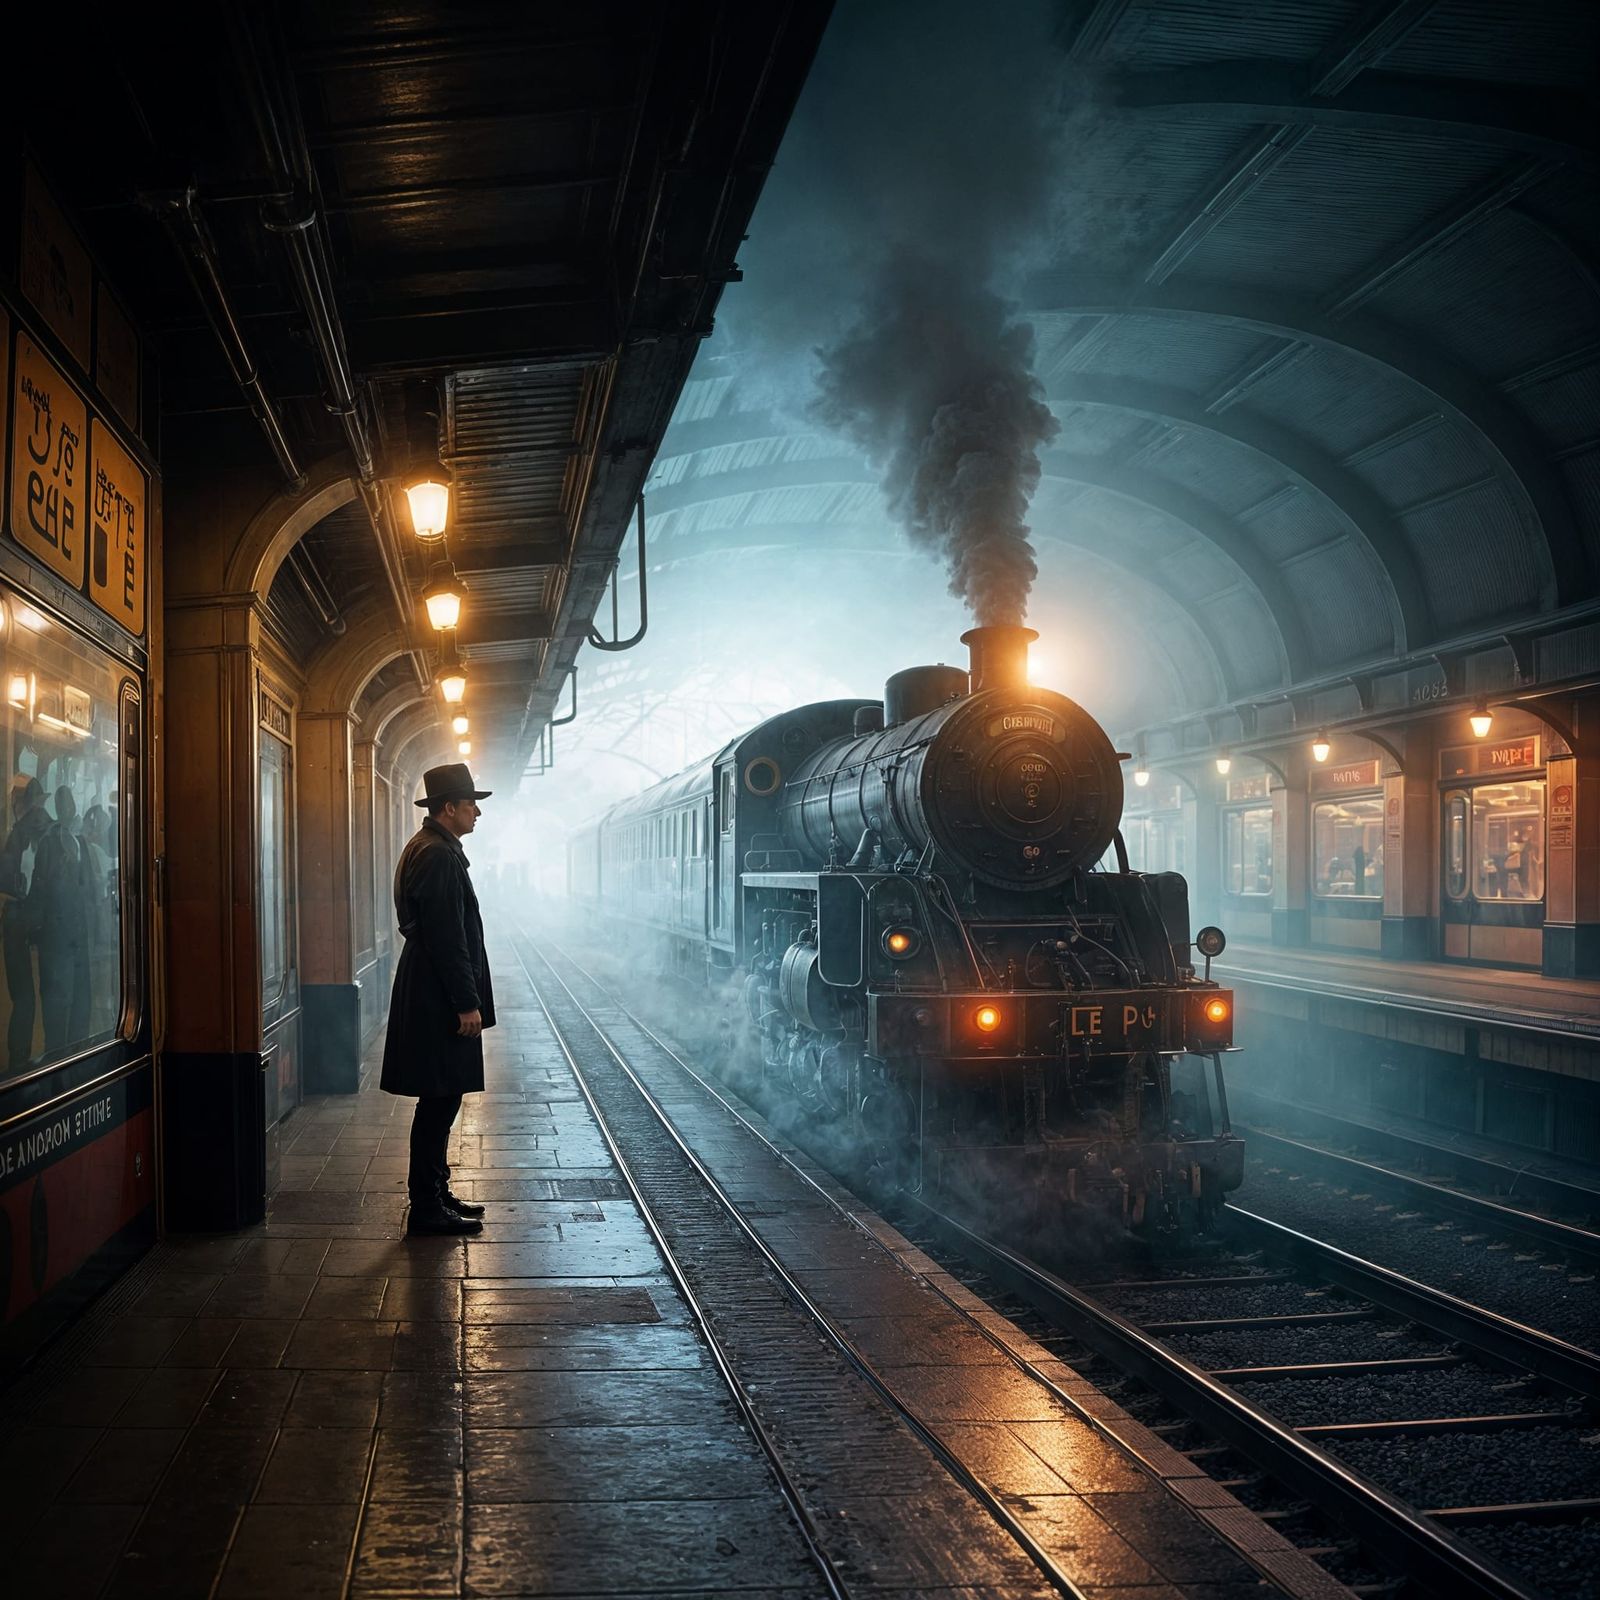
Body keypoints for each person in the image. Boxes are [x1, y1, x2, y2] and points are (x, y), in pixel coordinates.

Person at [381, 762, 497, 1237]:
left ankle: (436, 1192)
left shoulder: (431, 848)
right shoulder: (437, 856)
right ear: (448, 808)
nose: (477, 814)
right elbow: (449, 938)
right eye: (471, 805)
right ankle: (427, 1206)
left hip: (431, 988)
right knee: (438, 1101)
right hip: (438, 996)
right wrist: (466, 1004)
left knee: (441, 1099)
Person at [33, 787, 91, 1053]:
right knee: (57, 1007)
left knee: (79, 1004)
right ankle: (56, 1064)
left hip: (75, 937)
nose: (67, 807)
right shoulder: (49, 843)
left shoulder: (80, 842)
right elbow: (43, 889)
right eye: (62, 802)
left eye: (68, 801)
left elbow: (86, 888)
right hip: (57, 938)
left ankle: (74, 1061)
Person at [0, 776, 50, 1067]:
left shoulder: (18, 834)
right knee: (32, 996)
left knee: (22, 995)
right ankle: (26, 1055)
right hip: (30, 922)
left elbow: (11, 883)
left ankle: (19, 1055)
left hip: (17, 922)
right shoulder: (38, 830)